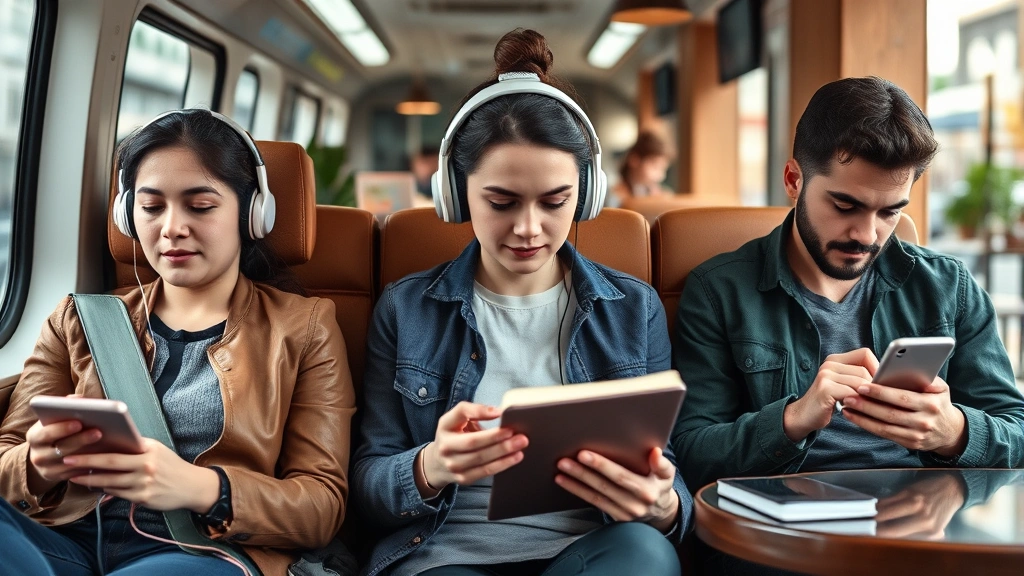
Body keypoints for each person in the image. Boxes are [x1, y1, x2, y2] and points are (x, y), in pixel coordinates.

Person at [352, 29, 691, 576]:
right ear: (456, 194)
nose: (528, 229)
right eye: (502, 202)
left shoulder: (633, 308)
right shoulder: (406, 308)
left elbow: (664, 469)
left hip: (588, 551)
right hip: (444, 555)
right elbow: (367, 486)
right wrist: (429, 466)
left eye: (555, 202)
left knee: (647, 554)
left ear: (587, 194)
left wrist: (664, 503)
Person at [0, 109, 356, 575]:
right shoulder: (78, 320)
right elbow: (8, 456)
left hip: (199, 553)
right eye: (150, 208)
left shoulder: (304, 328)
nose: (171, 228)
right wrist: (38, 464)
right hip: (67, 540)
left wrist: (202, 488)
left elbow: (321, 507)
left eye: (200, 206)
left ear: (253, 214)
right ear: (128, 216)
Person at [672, 76, 1024, 495]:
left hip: (920, 521)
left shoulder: (949, 286)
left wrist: (953, 432)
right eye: (845, 205)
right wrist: (794, 418)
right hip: (784, 528)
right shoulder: (719, 292)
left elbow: (1015, 429)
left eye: (890, 212)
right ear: (793, 180)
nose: (867, 234)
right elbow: (691, 453)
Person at [610, 131, 673, 206]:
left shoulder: (660, 194)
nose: (660, 176)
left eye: (663, 169)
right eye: (655, 167)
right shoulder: (615, 196)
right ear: (634, 160)